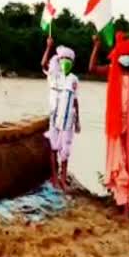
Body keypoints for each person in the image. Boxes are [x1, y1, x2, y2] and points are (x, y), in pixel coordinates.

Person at [89, 31, 129, 217]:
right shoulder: (113, 73)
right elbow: (92, 68)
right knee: (117, 162)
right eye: (124, 55)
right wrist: (96, 46)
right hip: (115, 125)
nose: (127, 59)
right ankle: (119, 201)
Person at [40, 36, 80, 191]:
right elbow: (43, 63)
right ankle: (54, 177)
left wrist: (78, 121)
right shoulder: (53, 76)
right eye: (63, 58)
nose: (65, 61)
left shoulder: (74, 79)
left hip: (68, 119)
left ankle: (63, 178)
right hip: (54, 118)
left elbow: (76, 100)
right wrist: (49, 47)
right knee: (53, 148)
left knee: (65, 150)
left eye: (68, 59)